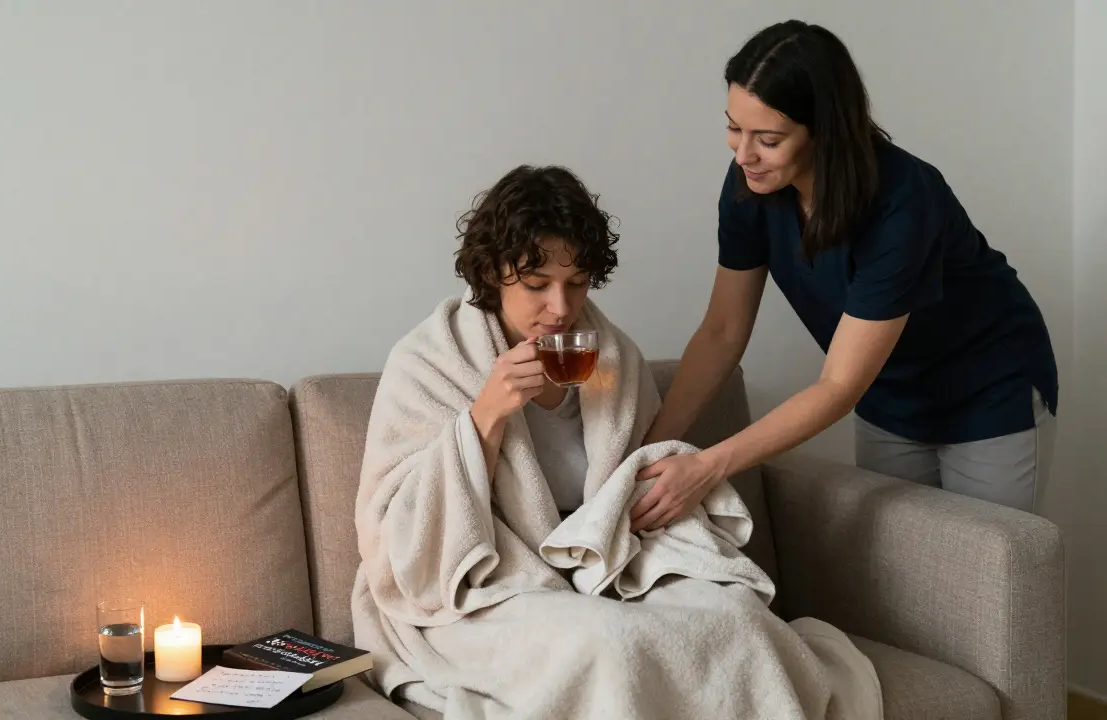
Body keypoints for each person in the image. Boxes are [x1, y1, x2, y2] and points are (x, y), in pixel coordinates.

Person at [351, 165, 882, 719]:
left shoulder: (612, 358)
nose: (560, 307)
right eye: (536, 285)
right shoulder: (429, 363)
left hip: (605, 560)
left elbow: (634, 476)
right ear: (491, 272)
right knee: (610, 644)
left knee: (738, 620)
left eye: (576, 282)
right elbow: (398, 536)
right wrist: (485, 415)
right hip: (487, 584)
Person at [631, 20, 1059, 531]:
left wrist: (705, 466)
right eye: (733, 127)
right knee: (900, 574)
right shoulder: (752, 185)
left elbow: (837, 384)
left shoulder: (904, 200)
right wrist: (647, 453)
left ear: (824, 132)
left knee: (988, 574)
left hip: (987, 392)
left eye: (767, 138)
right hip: (886, 397)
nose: (743, 154)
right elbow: (722, 331)